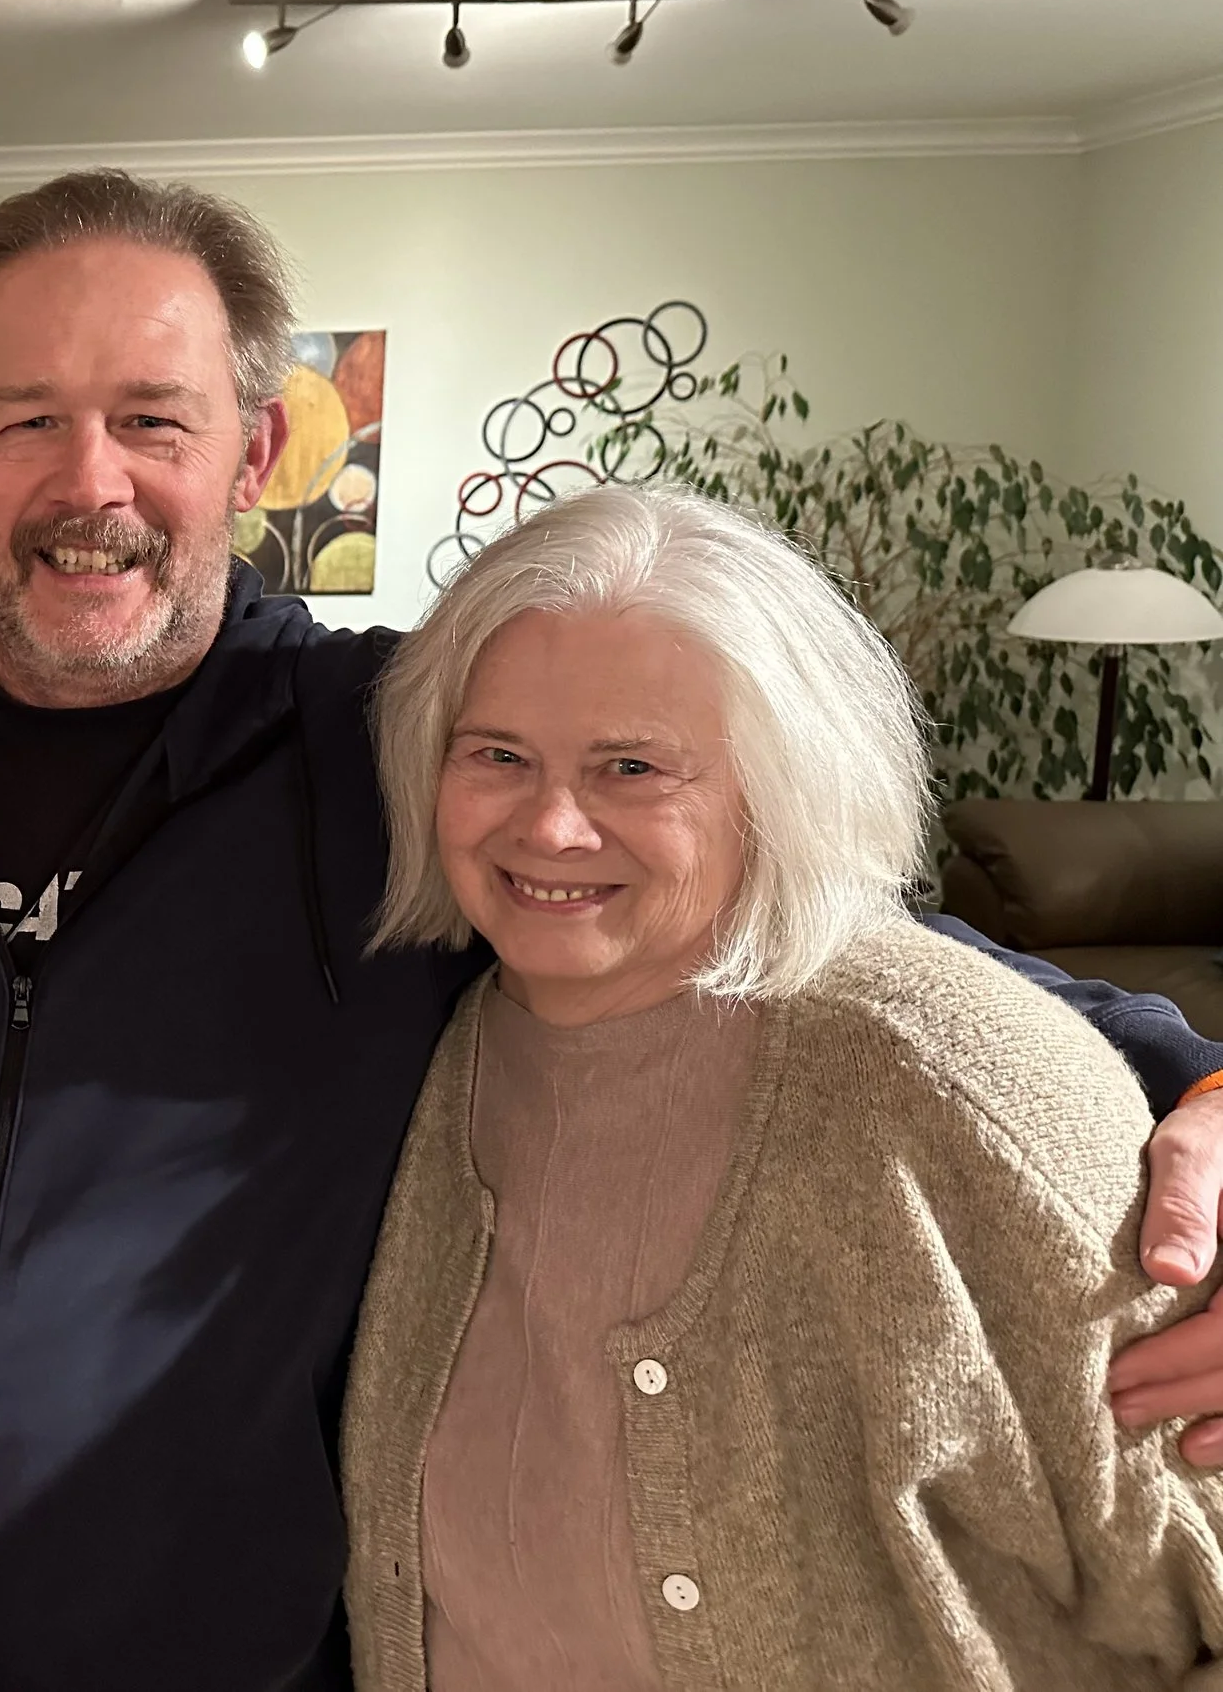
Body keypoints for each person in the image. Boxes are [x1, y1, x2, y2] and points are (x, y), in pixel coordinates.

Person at [0, 168, 1223, 1690]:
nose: (92, 482)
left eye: (154, 419)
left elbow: (814, 927)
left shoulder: (407, 740)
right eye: (28, 418)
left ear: (255, 450)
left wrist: (1193, 1072)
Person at [341, 482, 1223, 1688]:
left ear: (775, 785)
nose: (548, 826)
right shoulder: (443, 1040)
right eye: (497, 756)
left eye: (633, 767)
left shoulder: (953, 1081)